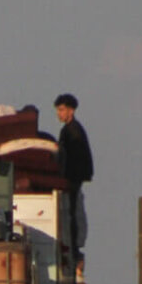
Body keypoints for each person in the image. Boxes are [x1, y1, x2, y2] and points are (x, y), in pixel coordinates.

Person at [53, 93, 94, 250]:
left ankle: (73, 247)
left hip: (72, 178)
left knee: (71, 213)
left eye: (62, 110)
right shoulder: (71, 129)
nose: (59, 113)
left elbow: (73, 158)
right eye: (58, 110)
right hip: (74, 177)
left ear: (71, 111)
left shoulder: (72, 131)